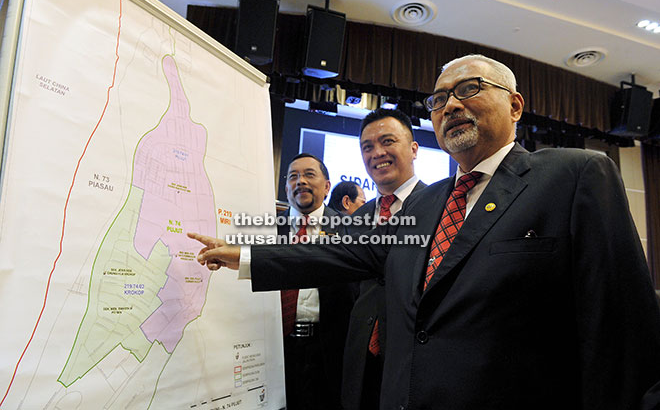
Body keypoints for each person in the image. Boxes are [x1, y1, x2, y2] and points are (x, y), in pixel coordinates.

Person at [189, 54, 660, 410]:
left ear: (515, 105)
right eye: (438, 100)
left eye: (469, 88)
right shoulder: (427, 204)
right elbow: (340, 255)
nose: (451, 104)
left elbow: (621, 332)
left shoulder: (575, 176)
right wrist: (244, 256)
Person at [342, 108, 426, 410]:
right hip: (362, 360)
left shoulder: (439, 206)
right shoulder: (357, 219)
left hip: (414, 361)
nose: (377, 153)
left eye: (388, 141)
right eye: (367, 146)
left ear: (413, 149)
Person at [270, 153, 355, 410]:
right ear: (285, 188)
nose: (300, 182)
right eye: (293, 177)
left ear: (327, 186)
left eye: (309, 174)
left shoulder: (350, 230)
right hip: (278, 348)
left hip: (329, 350)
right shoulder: (269, 230)